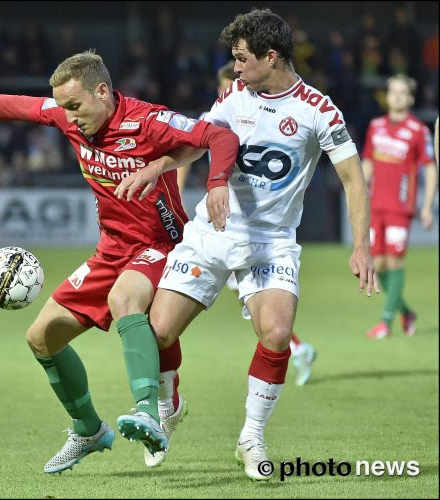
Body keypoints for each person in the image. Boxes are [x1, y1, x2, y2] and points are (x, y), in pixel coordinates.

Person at [0, 50, 239, 474]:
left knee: (127, 300)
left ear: (102, 91)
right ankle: (88, 429)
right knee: (41, 338)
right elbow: (8, 105)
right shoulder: (67, 117)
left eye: (74, 106)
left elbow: (220, 138)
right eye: (62, 107)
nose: (67, 116)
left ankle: (148, 411)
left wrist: (215, 183)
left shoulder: (147, 121)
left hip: (160, 242)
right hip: (111, 248)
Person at [115, 8, 378, 480]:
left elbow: (353, 179)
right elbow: (198, 140)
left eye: (241, 59)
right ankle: (167, 406)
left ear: (270, 56)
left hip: (270, 243)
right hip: (212, 234)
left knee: (277, 334)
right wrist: (156, 167)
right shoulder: (235, 97)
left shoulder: (319, 111)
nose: (235, 68)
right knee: (157, 336)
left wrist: (362, 245)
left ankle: (251, 437)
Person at [176, 60, 318, 390]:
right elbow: (188, 152)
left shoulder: (262, 115)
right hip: (222, 226)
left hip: (254, 234)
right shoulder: (217, 117)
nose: (231, 89)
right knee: (255, 308)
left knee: (263, 313)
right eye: (226, 84)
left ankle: (296, 348)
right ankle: (296, 347)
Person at [362, 75, 437, 339]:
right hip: (374, 206)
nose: (396, 96)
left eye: (402, 92)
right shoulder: (376, 126)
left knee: (394, 261)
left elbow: (429, 166)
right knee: (377, 265)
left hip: (399, 207)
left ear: (411, 98)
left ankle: (385, 321)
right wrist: (358, 191)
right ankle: (406, 312)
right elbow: (368, 161)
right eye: (392, 91)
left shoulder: (418, 131)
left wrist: (426, 206)